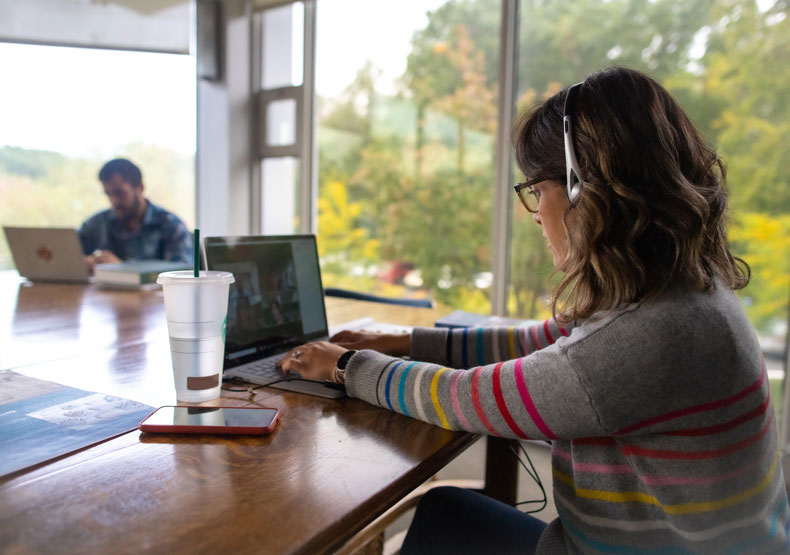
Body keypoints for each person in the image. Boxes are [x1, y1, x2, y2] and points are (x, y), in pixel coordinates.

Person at [278, 67, 789, 553]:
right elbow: (546, 343)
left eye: (537, 189)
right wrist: (406, 341)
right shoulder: (681, 295)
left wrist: (345, 366)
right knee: (448, 513)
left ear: (585, 190)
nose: (534, 213)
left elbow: (473, 399)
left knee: (442, 518)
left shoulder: (654, 335)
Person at [79, 158, 193, 272]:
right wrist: (85, 263)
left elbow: (182, 273)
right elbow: (69, 257)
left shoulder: (170, 225)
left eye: (119, 192)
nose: (114, 201)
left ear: (140, 187)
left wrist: (121, 269)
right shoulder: (96, 224)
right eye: (108, 194)